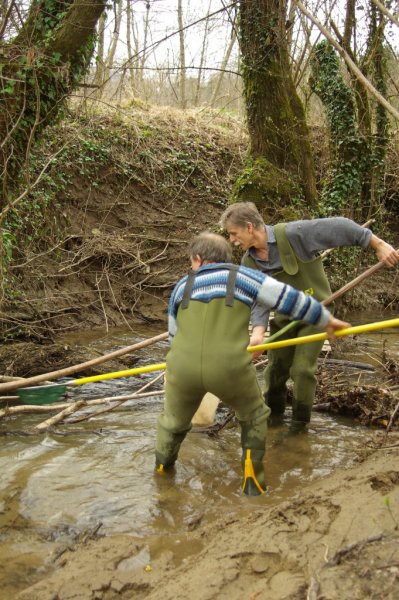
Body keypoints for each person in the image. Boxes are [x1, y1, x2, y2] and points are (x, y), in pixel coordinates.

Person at [155, 232, 350, 496]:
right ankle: (252, 483)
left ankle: (163, 477)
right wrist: (324, 318)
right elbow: (289, 298)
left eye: (192, 262)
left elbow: (173, 335)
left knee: (172, 423)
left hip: (182, 368)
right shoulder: (245, 277)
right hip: (230, 367)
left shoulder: (181, 286)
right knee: (255, 416)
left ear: (198, 259)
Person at [219, 202, 399, 431]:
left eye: (234, 233)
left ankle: (298, 427)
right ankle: (274, 424)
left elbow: (340, 226)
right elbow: (260, 301)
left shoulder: (294, 234)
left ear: (249, 227)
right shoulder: (249, 261)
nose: (232, 239)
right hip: (284, 321)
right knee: (274, 372)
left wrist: (378, 244)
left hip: (317, 315)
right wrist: (256, 334)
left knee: (302, 370)